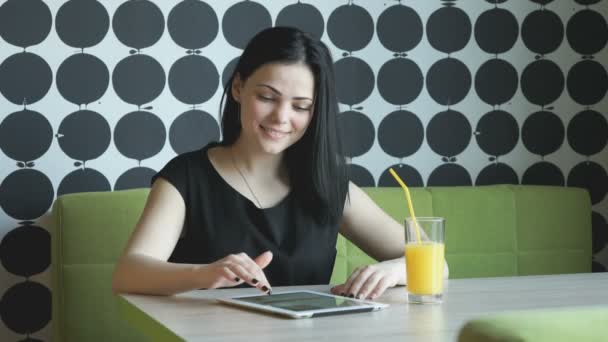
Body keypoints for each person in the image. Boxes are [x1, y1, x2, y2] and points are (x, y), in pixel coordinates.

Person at [112, 26, 447, 300]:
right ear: (239, 88)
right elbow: (128, 273)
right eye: (267, 97)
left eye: (300, 106)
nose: (281, 117)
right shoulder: (186, 179)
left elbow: (437, 265)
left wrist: (391, 271)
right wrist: (206, 273)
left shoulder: (329, 183)